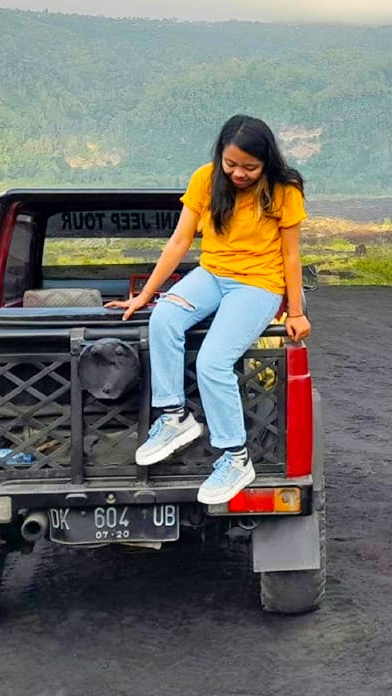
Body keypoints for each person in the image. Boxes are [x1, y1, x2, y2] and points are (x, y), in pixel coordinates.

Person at [108, 115, 310, 505]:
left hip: (257, 284)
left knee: (213, 362)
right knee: (164, 318)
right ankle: (174, 418)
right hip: (212, 274)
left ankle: (235, 457)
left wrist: (297, 312)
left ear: (267, 161)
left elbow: (290, 254)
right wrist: (145, 295)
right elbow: (180, 240)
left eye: (249, 167)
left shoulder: (285, 190)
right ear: (220, 156)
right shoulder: (205, 178)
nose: (237, 173)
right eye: (230, 164)